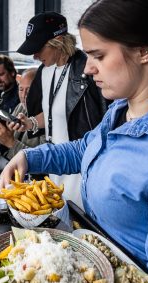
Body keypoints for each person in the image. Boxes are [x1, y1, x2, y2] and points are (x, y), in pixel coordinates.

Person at [0, 0, 148, 283]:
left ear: (144, 51)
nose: (86, 68)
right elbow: (86, 147)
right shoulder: (121, 108)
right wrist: (28, 156)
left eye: (98, 55)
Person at [13, 12, 107, 207]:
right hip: (54, 166)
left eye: (39, 48)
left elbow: (103, 123)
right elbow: (52, 116)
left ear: (58, 41)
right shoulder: (44, 71)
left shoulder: (87, 72)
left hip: (80, 169)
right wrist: (29, 123)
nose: (35, 55)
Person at [0, 68, 45, 159]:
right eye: (21, 89)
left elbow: (43, 160)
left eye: (29, 90)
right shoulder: (21, 107)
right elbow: (6, 138)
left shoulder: (47, 118)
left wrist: (11, 143)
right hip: (11, 162)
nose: (23, 96)